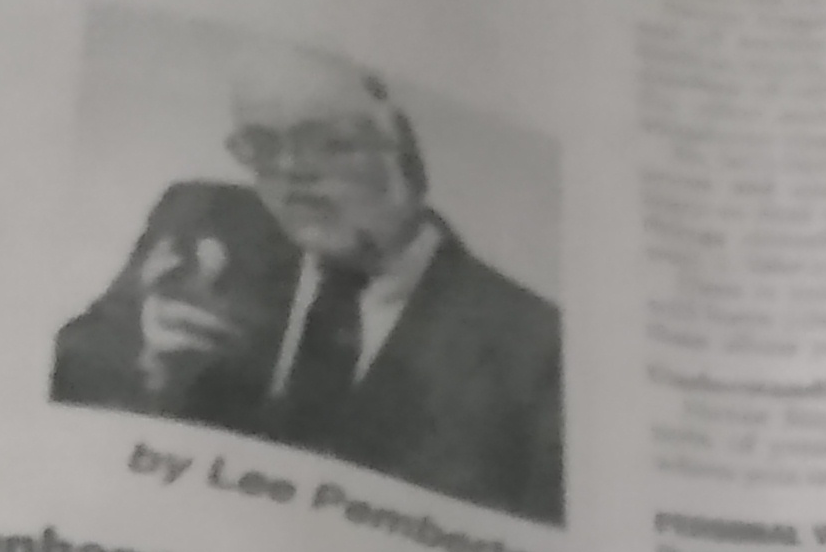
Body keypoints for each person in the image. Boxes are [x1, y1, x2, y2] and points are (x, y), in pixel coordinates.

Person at [51, 44, 563, 525]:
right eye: (261, 145)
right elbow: (65, 377)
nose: (291, 171)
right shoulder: (203, 225)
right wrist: (147, 367)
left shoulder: (535, 347)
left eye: (330, 143)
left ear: (403, 146)